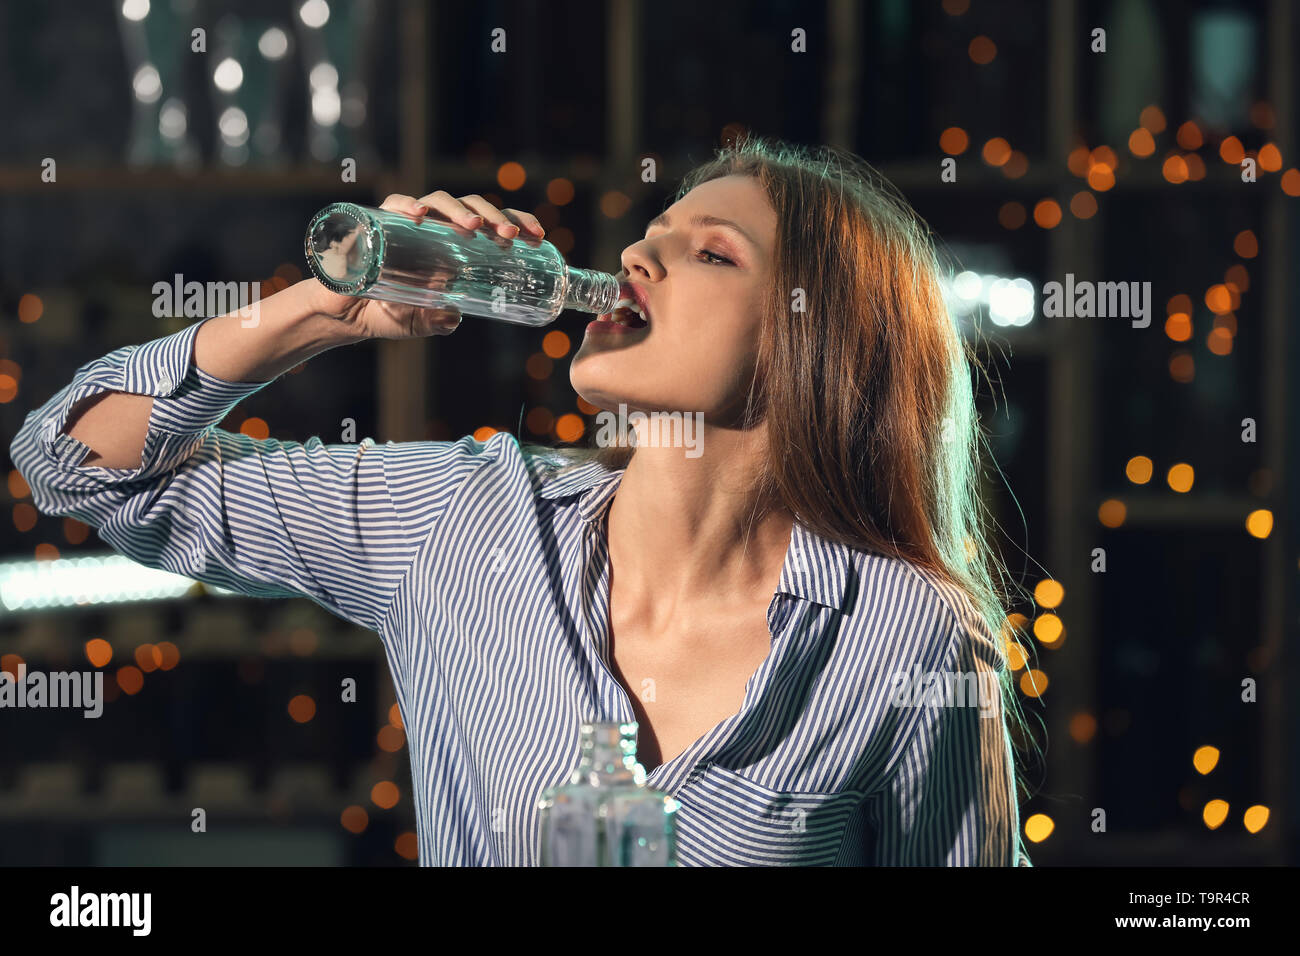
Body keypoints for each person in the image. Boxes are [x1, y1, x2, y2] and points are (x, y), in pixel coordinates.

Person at [11, 134, 1034, 866]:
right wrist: (320, 310)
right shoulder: (458, 520)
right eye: (653, 232)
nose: (636, 256)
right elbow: (75, 460)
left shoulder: (907, 635)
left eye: (711, 252)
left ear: (818, 337)